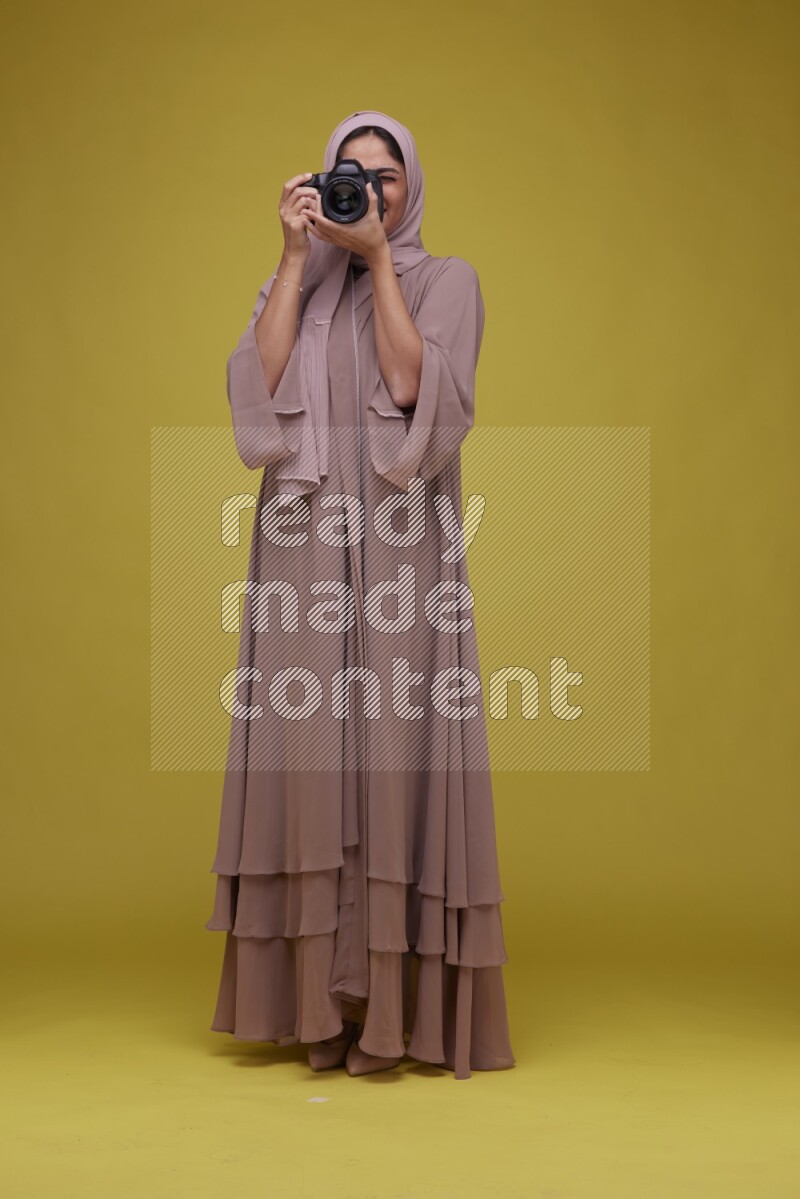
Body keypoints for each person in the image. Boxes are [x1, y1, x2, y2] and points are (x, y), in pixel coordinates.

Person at [205, 109, 515, 1080]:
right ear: (321, 182)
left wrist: (378, 261)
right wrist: (294, 259)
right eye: (351, 174)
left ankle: (393, 1014)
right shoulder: (295, 278)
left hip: (400, 553)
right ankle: (316, 1008)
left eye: (384, 178)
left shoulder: (444, 280)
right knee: (305, 756)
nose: (367, 192)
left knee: (390, 749)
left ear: (408, 188)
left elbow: (421, 386)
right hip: (300, 548)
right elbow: (251, 396)